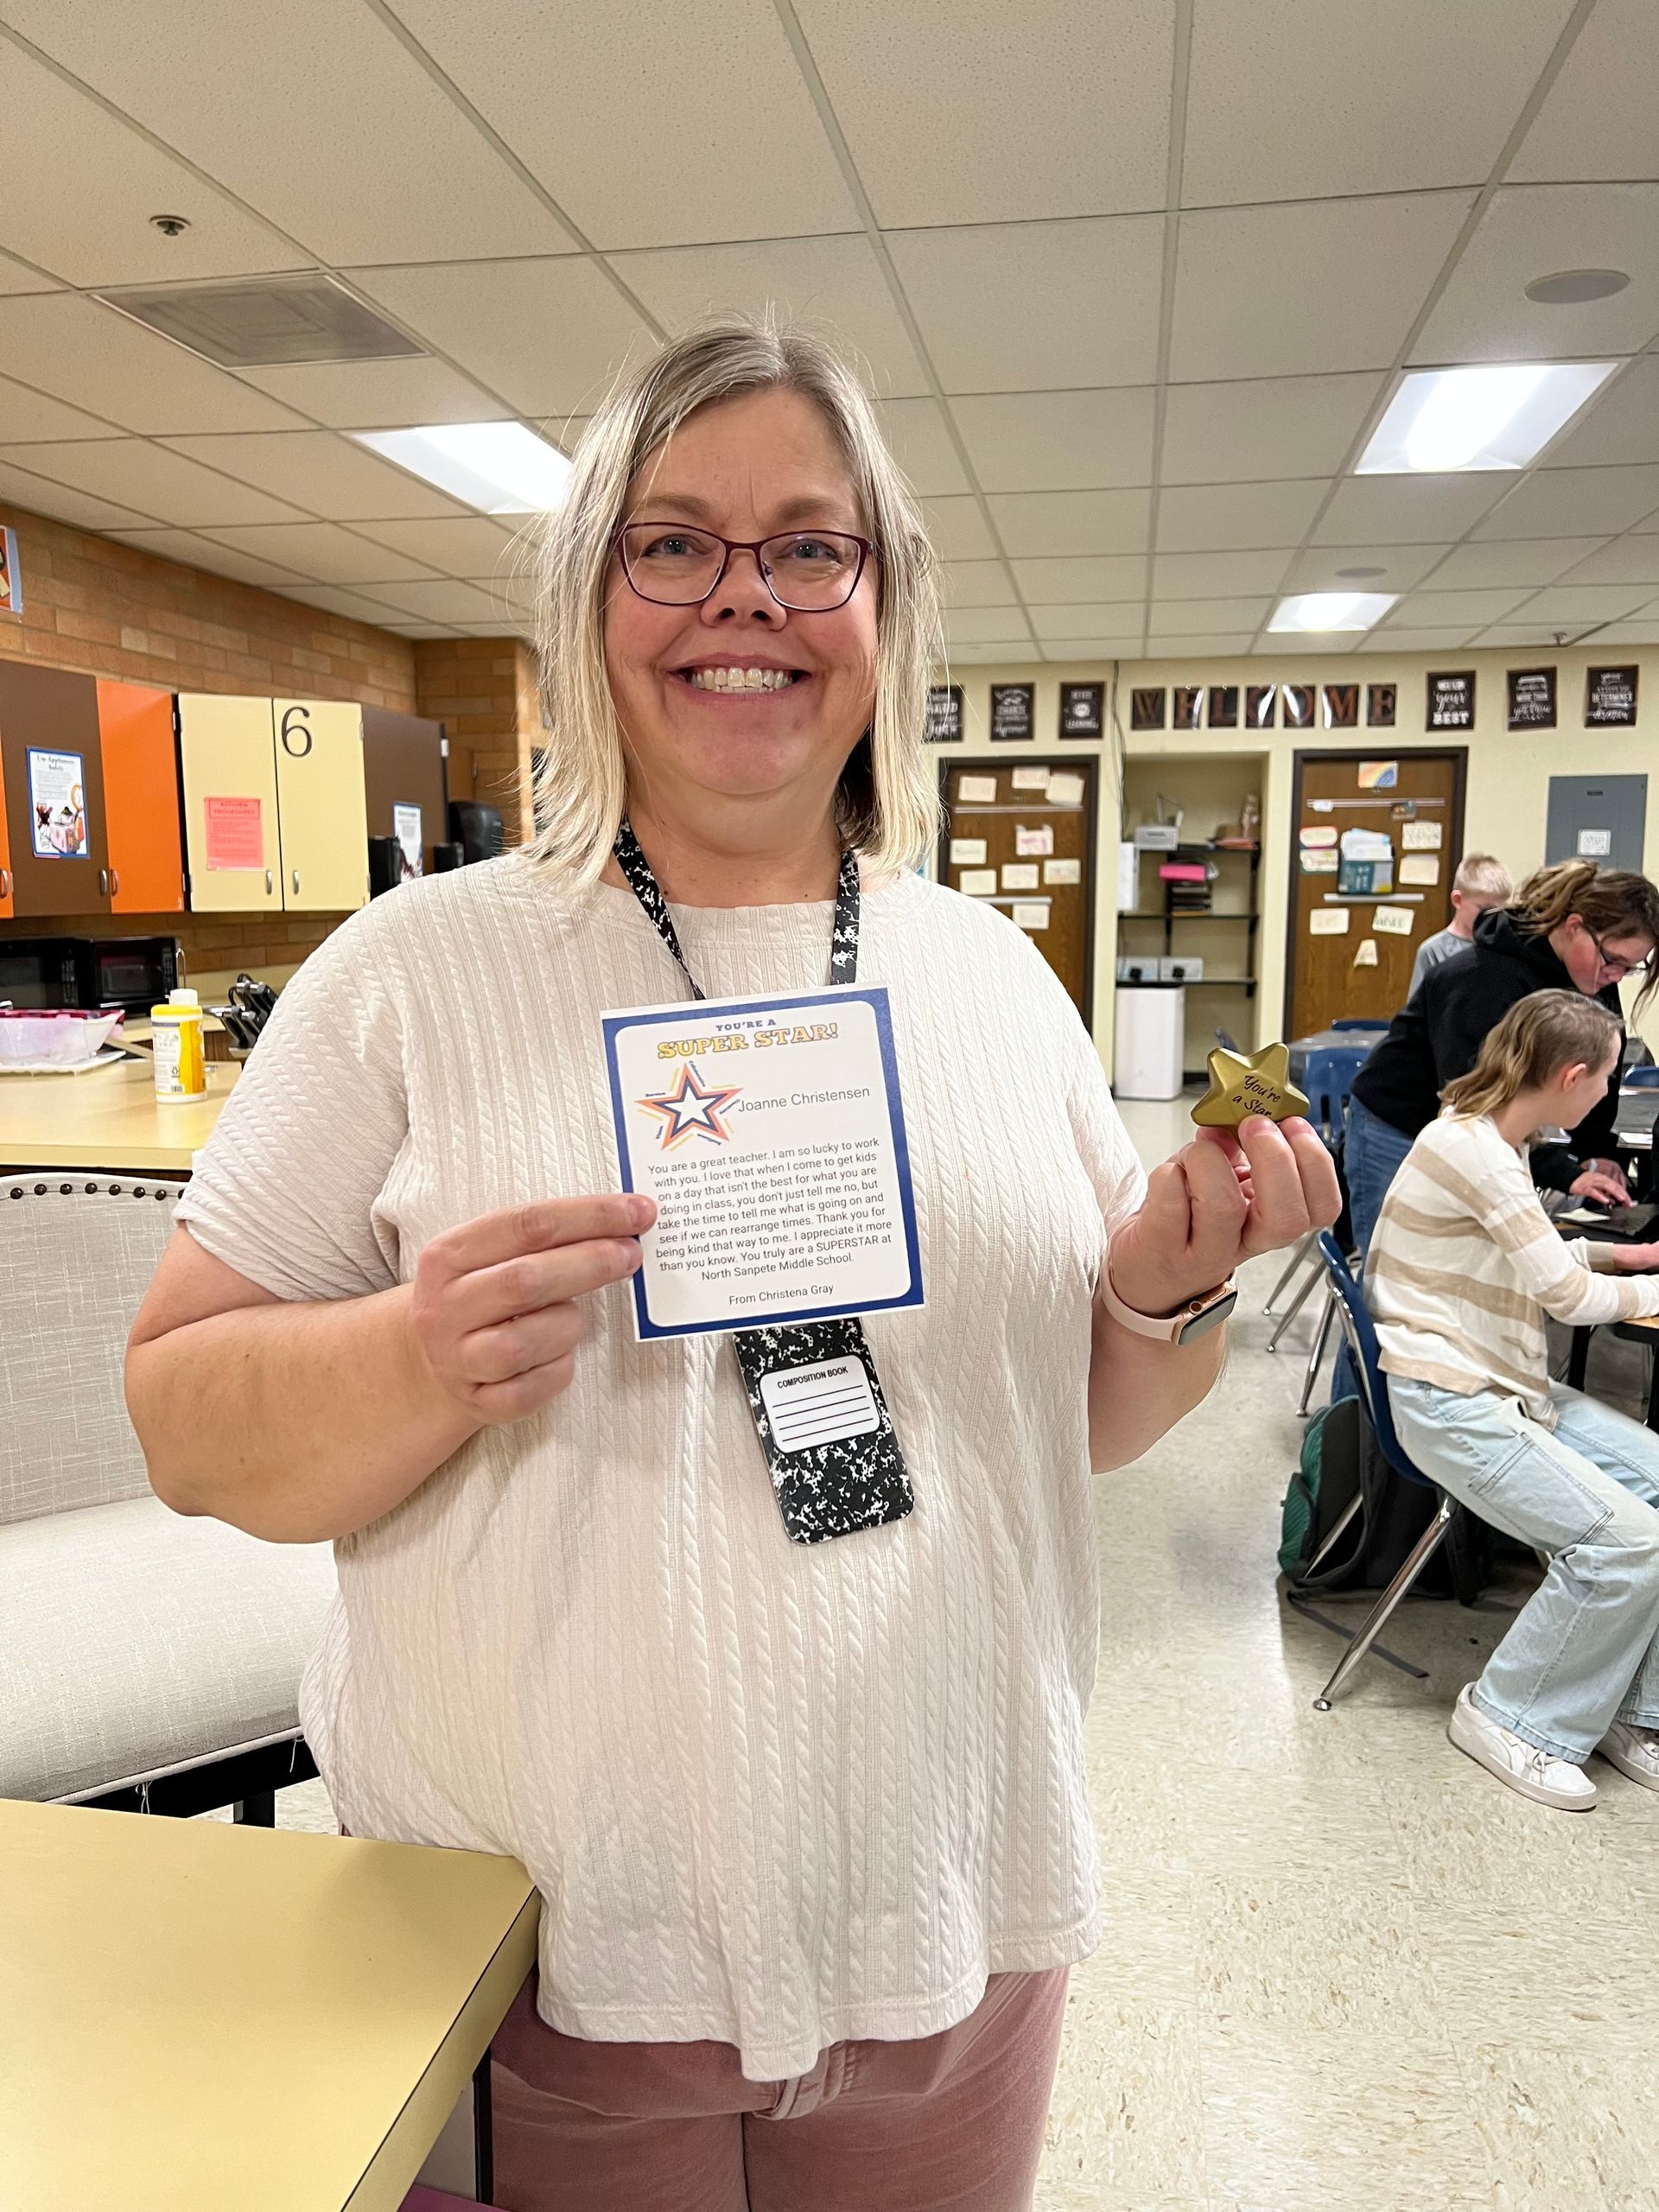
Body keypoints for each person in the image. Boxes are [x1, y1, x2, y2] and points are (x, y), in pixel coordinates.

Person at [124, 318, 1337, 2212]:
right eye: (671, 541)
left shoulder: (993, 979)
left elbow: (1084, 1419)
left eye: (808, 545)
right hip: (540, 1965)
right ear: (588, 592)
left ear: (884, 598)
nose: (741, 598)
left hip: (955, 1916)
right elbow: (187, 1420)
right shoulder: (416, 974)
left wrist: (1165, 1290)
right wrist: (413, 1354)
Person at [1370, 991, 1659, 1811]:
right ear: (1572, 1076)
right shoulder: (1480, 1153)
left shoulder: (1490, 1136)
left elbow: (1529, 1255)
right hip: (1451, 1400)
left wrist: (1625, 1258)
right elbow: (1562, 1297)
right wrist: (1646, 1289)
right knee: (1629, 1544)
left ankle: (1631, 1712)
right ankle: (1513, 1717)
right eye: (1605, 1079)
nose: (1606, 1095)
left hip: (1502, 1387)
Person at [1405, 851, 1513, 1001]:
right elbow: (1418, 1014)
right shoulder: (1433, 951)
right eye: (1485, 909)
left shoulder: (1506, 947)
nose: (1493, 918)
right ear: (1457, 900)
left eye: (1500, 911)